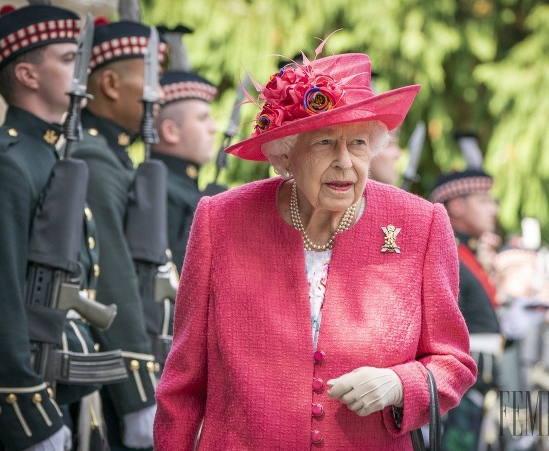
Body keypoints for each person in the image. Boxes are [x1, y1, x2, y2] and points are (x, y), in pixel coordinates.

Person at [154, 50, 477, 449]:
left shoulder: (420, 224)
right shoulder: (221, 220)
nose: (345, 163)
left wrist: (399, 384)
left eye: (358, 144)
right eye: (325, 143)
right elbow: (182, 382)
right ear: (285, 152)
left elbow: (453, 363)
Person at [0, 4, 107, 450]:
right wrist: (29, 419)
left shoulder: (45, 156)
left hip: (56, 397)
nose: (82, 68)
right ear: (27, 75)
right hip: (9, 419)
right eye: (65, 58)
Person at [71, 18, 167, 450]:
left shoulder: (114, 156)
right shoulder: (94, 156)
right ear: (110, 83)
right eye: (151, 79)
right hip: (106, 375)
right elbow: (113, 277)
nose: (159, 94)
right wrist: (139, 396)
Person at [429, 168, 503, 450]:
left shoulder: (466, 252)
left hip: (478, 378)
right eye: (483, 200)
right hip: (462, 380)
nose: (493, 208)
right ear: (457, 206)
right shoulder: (448, 251)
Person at [151, 70, 218, 271]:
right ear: (170, 131)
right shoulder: (160, 189)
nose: (213, 127)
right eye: (202, 118)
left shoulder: (181, 186)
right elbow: (173, 273)